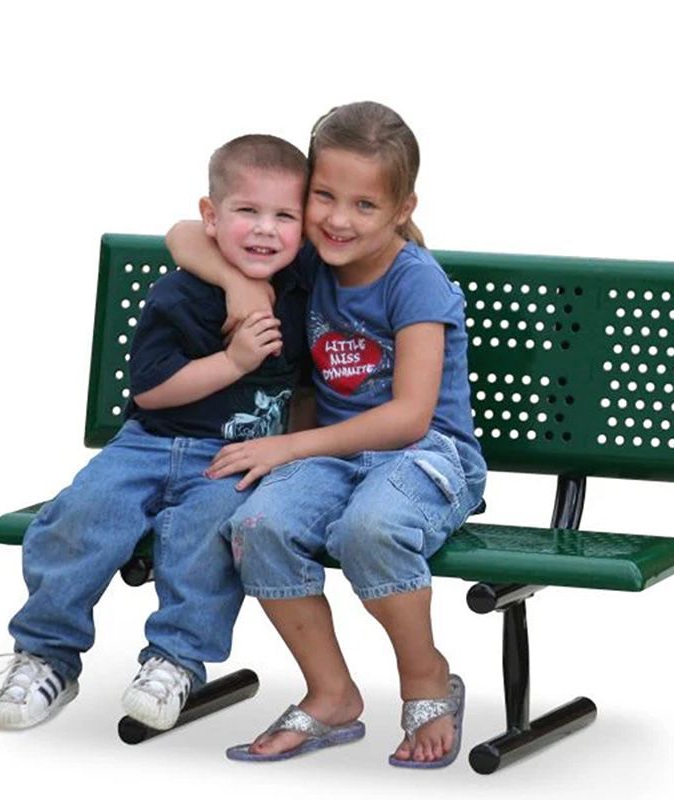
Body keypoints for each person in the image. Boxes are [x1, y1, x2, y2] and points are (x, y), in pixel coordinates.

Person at [166, 101, 487, 768]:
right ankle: (332, 692)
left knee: (370, 528)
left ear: (403, 208)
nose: (340, 219)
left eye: (365, 205)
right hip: (339, 457)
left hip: (428, 457)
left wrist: (287, 445)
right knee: (257, 523)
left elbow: (411, 417)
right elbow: (181, 233)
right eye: (324, 197)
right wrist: (238, 286)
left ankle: (427, 677)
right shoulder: (311, 262)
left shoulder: (414, 281)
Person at [0, 134, 311, 732]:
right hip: (147, 443)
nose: (266, 230)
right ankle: (46, 655)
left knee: (207, 531)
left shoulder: (301, 288)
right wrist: (235, 362)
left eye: (284, 216)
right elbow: (151, 391)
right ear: (213, 216)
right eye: (247, 212)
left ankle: (176, 662)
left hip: (234, 455)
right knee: (83, 513)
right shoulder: (179, 293)